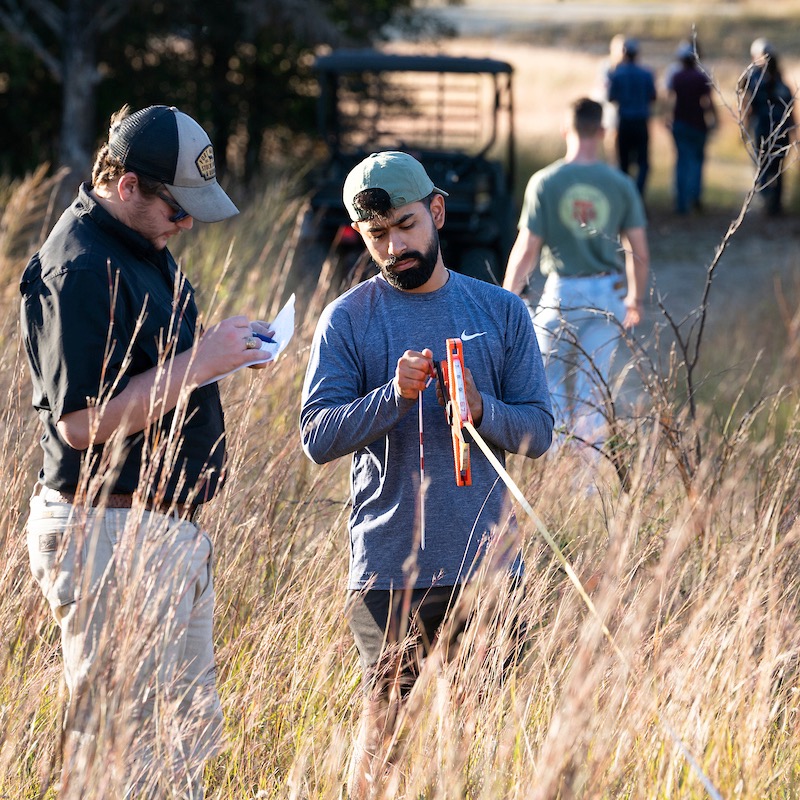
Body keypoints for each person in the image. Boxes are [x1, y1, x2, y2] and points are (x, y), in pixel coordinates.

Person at [20, 104, 273, 798]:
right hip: (107, 532)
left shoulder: (144, 250)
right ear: (127, 184)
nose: (186, 224)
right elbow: (79, 422)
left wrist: (223, 351)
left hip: (163, 532)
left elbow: (161, 366)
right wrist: (200, 363)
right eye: (176, 206)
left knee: (181, 749)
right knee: (124, 760)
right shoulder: (76, 268)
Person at [299, 150, 553, 798]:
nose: (395, 245)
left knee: (477, 752)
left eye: (406, 225)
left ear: (437, 212)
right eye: (377, 234)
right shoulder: (347, 319)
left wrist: (481, 409)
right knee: (382, 753)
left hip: (489, 569)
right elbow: (316, 438)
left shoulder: (501, 312)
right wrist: (393, 397)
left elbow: (539, 433)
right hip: (388, 572)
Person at [502, 98, 649, 449]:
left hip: (561, 292)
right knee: (592, 389)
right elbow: (639, 251)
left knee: (545, 381)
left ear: (566, 129)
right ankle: (586, 483)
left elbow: (526, 250)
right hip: (606, 294)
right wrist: (636, 299)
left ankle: (556, 466)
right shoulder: (620, 183)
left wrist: (508, 300)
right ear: (602, 131)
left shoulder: (545, 182)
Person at [739, 38, 796, 216]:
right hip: (781, 130)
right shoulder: (781, 82)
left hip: (762, 128)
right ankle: (775, 203)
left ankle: (766, 198)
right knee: (778, 167)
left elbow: (748, 106)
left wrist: (743, 128)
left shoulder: (755, 80)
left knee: (762, 165)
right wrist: (793, 131)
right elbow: (790, 109)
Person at [665, 41, 717, 214]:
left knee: (681, 161)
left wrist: (667, 119)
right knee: (696, 161)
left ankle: (681, 202)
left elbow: (669, 101)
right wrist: (714, 119)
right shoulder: (701, 77)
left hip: (680, 123)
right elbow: (708, 102)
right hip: (698, 124)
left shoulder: (676, 77)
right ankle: (695, 197)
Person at [607, 37, 657, 196]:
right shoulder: (646, 73)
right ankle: (638, 193)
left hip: (624, 122)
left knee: (623, 163)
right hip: (641, 122)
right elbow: (653, 96)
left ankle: (626, 195)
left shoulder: (616, 74)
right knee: (643, 163)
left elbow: (611, 97)